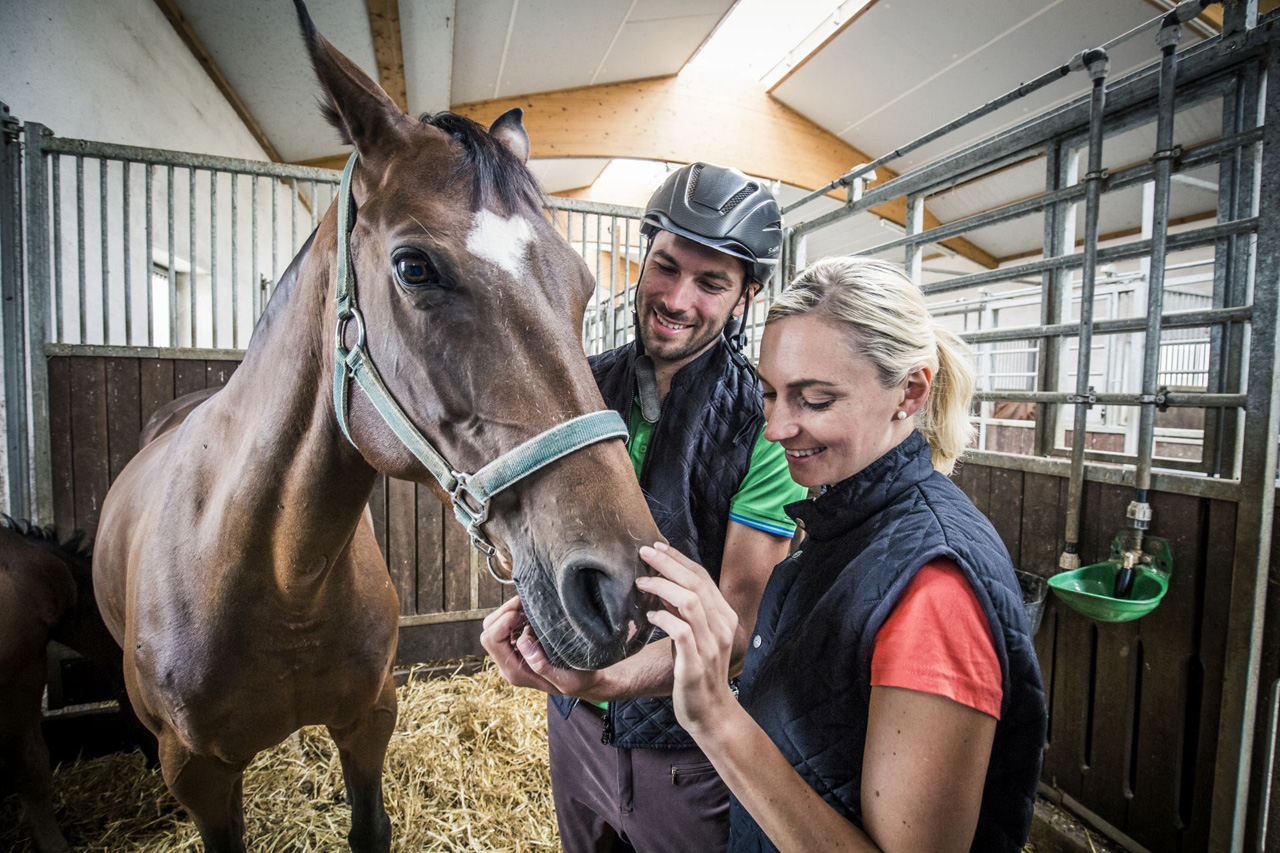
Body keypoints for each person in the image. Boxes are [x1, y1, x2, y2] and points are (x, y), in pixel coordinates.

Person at [635, 256, 1048, 852]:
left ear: (909, 391)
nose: (775, 427)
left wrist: (715, 718)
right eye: (771, 393)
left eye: (816, 400)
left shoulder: (933, 586)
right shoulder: (841, 525)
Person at [481, 163, 808, 852]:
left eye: (712, 282)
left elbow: (738, 632)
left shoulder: (761, 429)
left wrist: (604, 679)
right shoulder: (579, 385)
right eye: (666, 266)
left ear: (746, 294)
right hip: (573, 728)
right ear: (645, 256)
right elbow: (528, 531)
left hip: (682, 756)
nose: (678, 297)